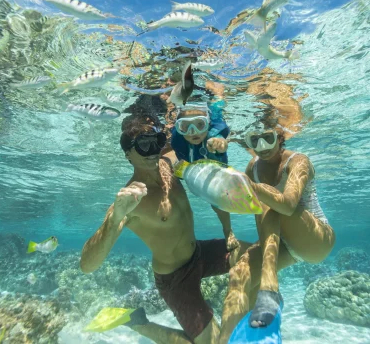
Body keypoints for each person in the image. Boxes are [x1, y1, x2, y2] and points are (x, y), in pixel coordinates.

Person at [80, 113, 293, 344]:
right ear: (128, 153)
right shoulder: (129, 202)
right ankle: (137, 321)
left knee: (271, 254)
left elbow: (194, 143)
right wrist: (115, 219)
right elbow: (87, 266)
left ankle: (250, 315)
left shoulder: (168, 165)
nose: (153, 150)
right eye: (143, 145)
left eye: (158, 141)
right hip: (174, 278)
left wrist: (219, 141)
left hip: (200, 253)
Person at [227, 123, 335, 331]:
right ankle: (251, 330)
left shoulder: (299, 161)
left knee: (268, 197)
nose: (262, 145)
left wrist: (253, 187)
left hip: (316, 239)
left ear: (279, 136)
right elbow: (251, 208)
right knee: (240, 273)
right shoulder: (253, 167)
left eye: (268, 137)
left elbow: (287, 205)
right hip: (284, 245)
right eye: (254, 140)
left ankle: (270, 286)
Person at [170, 103, 239, 251]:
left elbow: (221, 143)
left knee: (218, 204)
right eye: (185, 126)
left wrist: (220, 144)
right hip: (190, 167)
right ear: (178, 127)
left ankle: (228, 231)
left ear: (207, 124)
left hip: (214, 172)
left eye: (199, 124)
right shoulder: (177, 139)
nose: (192, 131)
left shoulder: (213, 136)